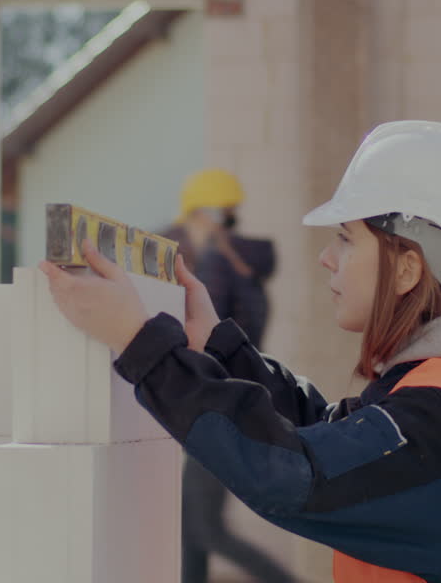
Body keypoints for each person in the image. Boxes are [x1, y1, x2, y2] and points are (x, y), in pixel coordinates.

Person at [42, 121, 441, 582]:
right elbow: (332, 435)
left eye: (346, 239)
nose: (326, 260)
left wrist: (142, 345)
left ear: (407, 267)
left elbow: (293, 473)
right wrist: (219, 348)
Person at [162, 169, 292, 583]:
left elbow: (201, 338)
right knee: (190, 528)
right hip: (229, 400)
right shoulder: (242, 266)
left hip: (218, 405)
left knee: (205, 528)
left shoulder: (219, 264)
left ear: (205, 217)